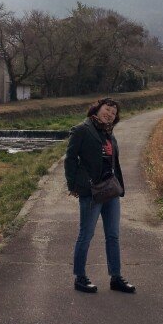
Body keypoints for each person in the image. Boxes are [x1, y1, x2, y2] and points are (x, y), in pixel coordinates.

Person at [64, 97, 136, 294]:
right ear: (97, 109)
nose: (109, 114)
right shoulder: (82, 130)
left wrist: (118, 184)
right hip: (91, 191)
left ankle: (116, 277)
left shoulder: (109, 134)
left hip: (110, 191)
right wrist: (73, 185)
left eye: (113, 113)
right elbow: (70, 159)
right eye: (107, 110)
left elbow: (113, 162)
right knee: (86, 235)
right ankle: (80, 277)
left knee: (113, 235)